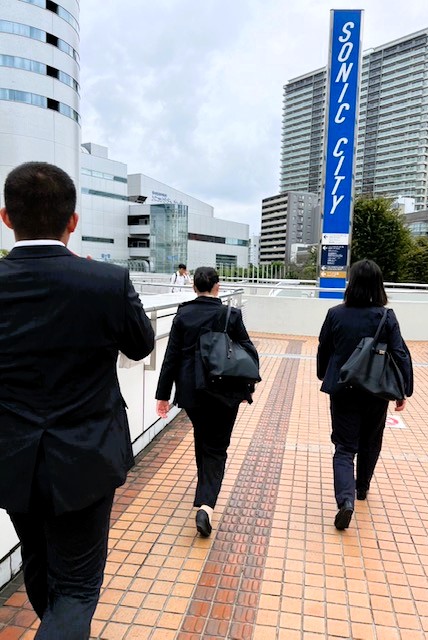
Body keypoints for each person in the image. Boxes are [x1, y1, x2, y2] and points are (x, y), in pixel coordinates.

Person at [0, 162, 155, 639]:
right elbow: (142, 345)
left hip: (11, 454)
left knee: (37, 557)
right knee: (78, 587)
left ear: (7, 217)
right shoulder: (105, 283)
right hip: (86, 456)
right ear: (73, 221)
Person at [156, 266, 259, 537]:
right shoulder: (230, 314)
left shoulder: (183, 315)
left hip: (192, 392)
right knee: (217, 447)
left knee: (203, 439)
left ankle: (203, 494)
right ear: (217, 286)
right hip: (226, 392)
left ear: (194, 287)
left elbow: (171, 357)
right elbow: (248, 350)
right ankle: (206, 505)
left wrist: (162, 395)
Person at [317, 259, 413, 531]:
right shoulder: (386, 316)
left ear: (352, 283)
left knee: (345, 447)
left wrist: (324, 373)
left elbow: (324, 347)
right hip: (376, 390)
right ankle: (361, 489)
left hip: (343, 388)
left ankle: (345, 501)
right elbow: (400, 353)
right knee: (371, 441)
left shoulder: (336, 313)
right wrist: (403, 390)